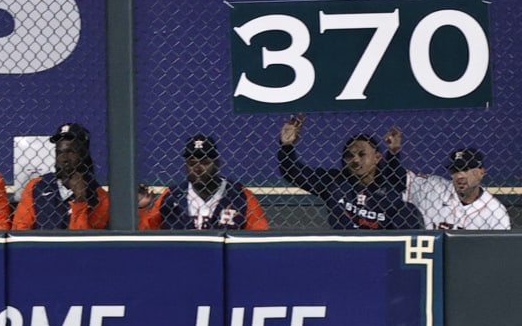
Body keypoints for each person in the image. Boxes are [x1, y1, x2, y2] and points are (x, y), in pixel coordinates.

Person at [277, 114, 421, 230]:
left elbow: (397, 176)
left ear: (377, 157)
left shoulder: (392, 186)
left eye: (362, 154)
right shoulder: (334, 182)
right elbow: (293, 172)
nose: (355, 160)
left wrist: (393, 154)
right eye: (349, 156)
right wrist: (287, 146)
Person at [140, 135, 269, 231]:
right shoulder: (172, 195)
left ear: (217, 164)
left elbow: (260, 234)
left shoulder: (239, 195)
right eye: (192, 163)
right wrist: (141, 209)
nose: (197, 169)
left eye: (205, 162)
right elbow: (145, 232)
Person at [11, 122, 110, 230]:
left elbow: (82, 241)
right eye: (59, 152)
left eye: (71, 152)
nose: (64, 159)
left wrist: (80, 200)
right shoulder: (37, 186)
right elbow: (19, 230)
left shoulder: (99, 197)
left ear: (83, 154)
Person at [403, 147, 511, 231]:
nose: (460, 176)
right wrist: (393, 153)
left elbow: (501, 250)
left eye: (466, 169)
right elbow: (397, 179)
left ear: (481, 172)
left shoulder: (495, 212)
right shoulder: (433, 189)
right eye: (455, 170)